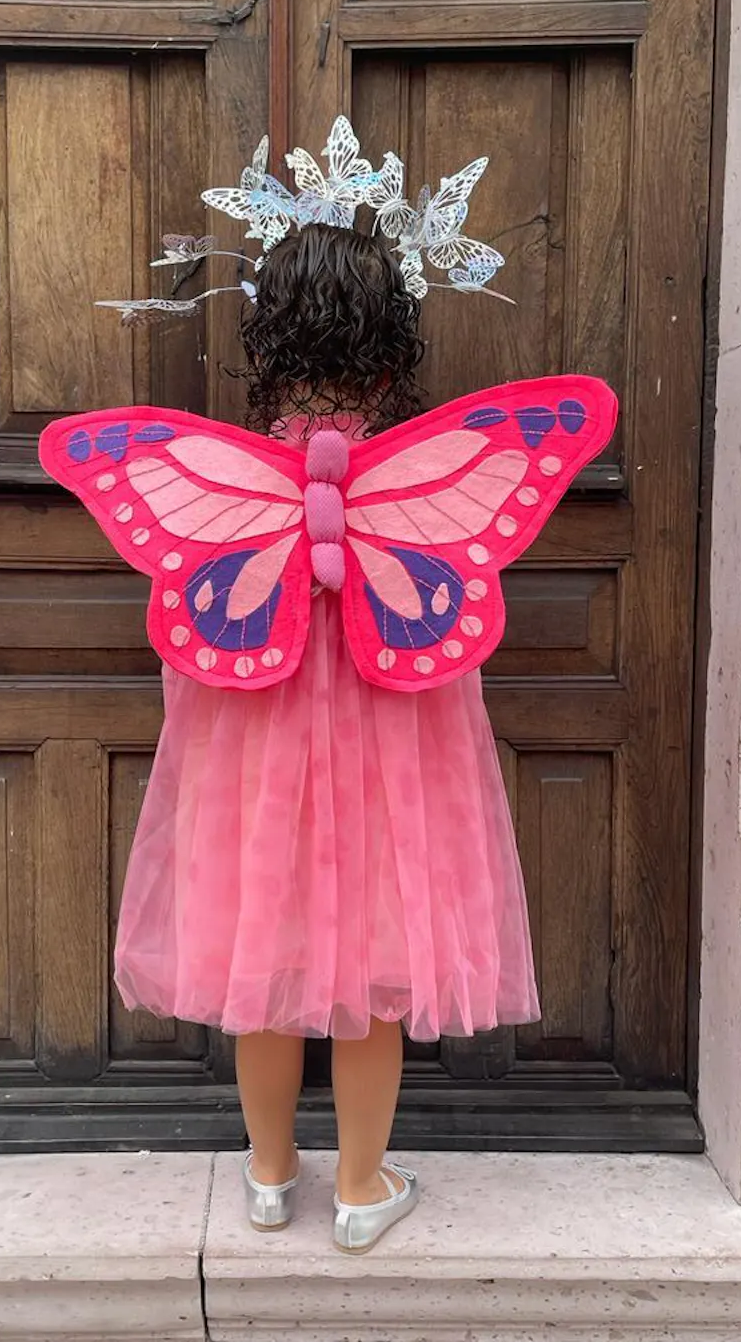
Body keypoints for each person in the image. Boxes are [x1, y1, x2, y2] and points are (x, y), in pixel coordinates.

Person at [112, 223, 540, 1251]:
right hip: (395, 715)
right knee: (378, 946)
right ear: (389, 334)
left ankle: (269, 1177)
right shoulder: (413, 466)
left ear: (269, 333)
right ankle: (358, 1188)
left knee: (260, 934)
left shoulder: (237, 471)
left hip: (255, 718)